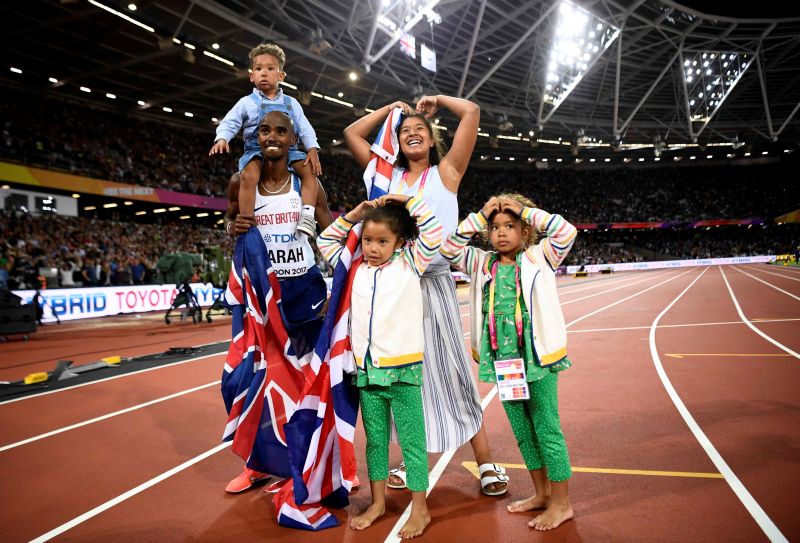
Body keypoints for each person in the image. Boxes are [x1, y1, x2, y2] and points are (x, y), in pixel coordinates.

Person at [343, 95, 508, 496]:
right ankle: (410, 459)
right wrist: (389, 111)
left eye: (420, 130)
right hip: (395, 290)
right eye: (404, 132)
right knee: (399, 375)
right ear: (396, 142)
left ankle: (485, 461)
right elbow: (351, 133)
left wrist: (435, 101)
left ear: (433, 140)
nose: (412, 134)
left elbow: (472, 112)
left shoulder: (447, 172)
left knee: (451, 372)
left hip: (433, 284)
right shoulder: (386, 178)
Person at [440, 194, 577, 531]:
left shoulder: (539, 257)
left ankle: (562, 502)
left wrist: (526, 211)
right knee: (524, 432)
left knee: (546, 428)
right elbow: (447, 249)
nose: (501, 232)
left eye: (510, 225)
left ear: (525, 231)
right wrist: (479, 216)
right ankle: (542, 494)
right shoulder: (481, 263)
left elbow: (566, 232)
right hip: (505, 363)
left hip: (537, 359)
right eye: (495, 227)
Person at [317, 193, 443, 539]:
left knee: (412, 442)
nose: (372, 247)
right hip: (366, 371)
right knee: (374, 442)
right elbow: (324, 239)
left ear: (399, 242)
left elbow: (432, 231)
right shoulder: (354, 266)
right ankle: (378, 502)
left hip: (403, 370)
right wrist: (356, 214)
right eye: (368, 239)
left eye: (382, 241)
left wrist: (406, 200)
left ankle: (421, 507)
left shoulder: (410, 263)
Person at [223, 110, 333, 493]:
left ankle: (314, 461)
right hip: (261, 299)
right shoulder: (240, 181)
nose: (271, 136)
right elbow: (229, 222)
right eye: (264, 129)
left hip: (303, 292)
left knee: (308, 381)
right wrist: (230, 225)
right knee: (256, 381)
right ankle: (257, 464)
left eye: (280, 131)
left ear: (292, 141)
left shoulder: (309, 187)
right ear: (256, 136)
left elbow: (329, 234)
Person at [210, 42, 321, 238]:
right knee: (247, 175)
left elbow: (305, 127)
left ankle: (307, 216)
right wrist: (222, 138)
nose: (264, 73)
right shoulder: (246, 103)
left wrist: (312, 149)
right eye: (258, 68)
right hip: (256, 150)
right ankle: (247, 220)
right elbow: (230, 122)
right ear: (251, 76)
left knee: (309, 172)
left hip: (289, 150)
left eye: (270, 68)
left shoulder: (291, 103)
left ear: (281, 76)